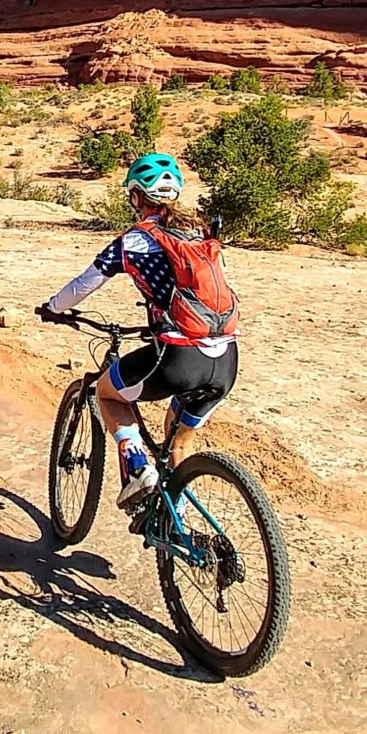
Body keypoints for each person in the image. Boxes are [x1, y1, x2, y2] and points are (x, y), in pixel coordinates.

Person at [35, 152, 240, 509]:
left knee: (108, 394)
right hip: (225, 359)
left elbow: (85, 284)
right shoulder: (201, 234)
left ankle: (137, 465)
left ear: (135, 197)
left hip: (177, 357)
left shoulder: (135, 240)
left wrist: (53, 308)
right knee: (179, 443)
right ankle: (177, 523)